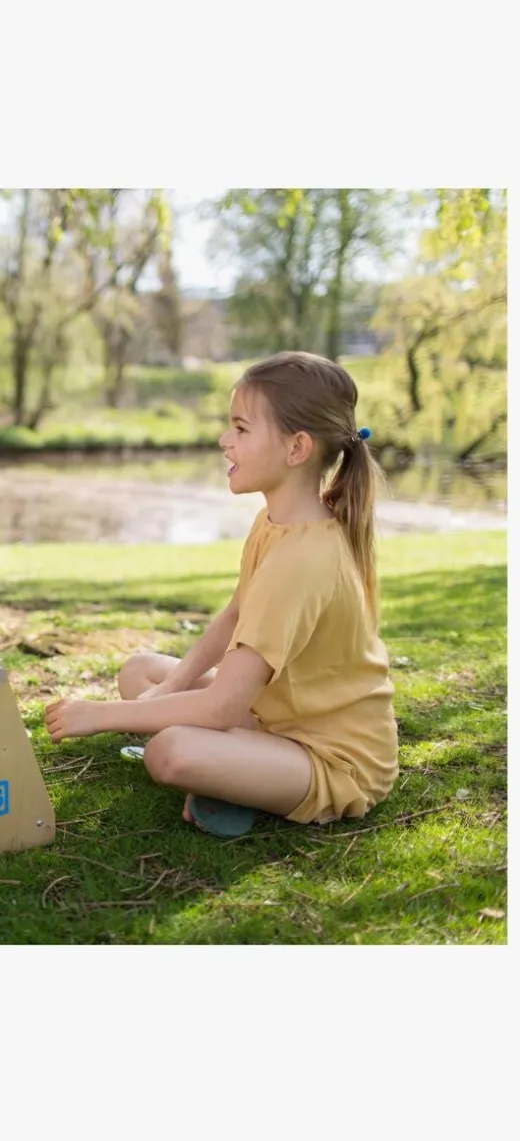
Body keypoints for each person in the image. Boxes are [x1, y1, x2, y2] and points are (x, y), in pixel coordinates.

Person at [44, 351, 399, 837]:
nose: (224, 440)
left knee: (170, 751)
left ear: (296, 448)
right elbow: (235, 614)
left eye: (241, 428)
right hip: (271, 715)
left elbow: (222, 708)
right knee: (141, 672)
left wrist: (101, 715)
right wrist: (167, 689)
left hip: (331, 758)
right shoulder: (275, 522)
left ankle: (233, 778)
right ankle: (233, 771)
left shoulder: (302, 560)